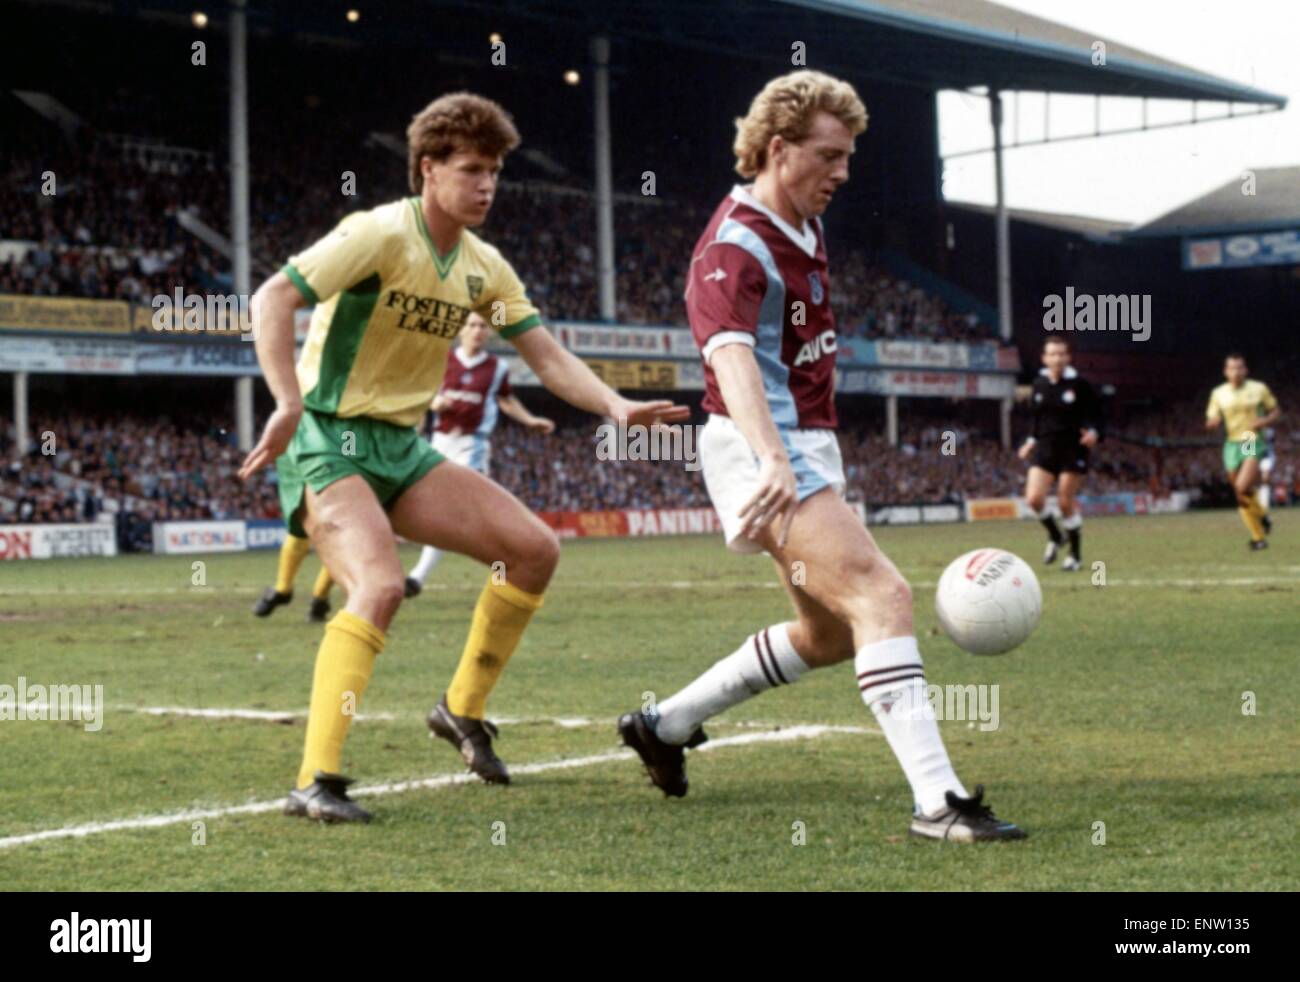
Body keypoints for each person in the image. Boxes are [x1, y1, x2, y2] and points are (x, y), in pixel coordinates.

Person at [239, 92, 686, 823]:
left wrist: (614, 406)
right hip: (328, 436)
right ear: (428, 169)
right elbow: (270, 299)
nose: (487, 185)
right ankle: (314, 780)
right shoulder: (378, 232)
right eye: (472, 169)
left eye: (496, 172)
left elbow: (545, 355)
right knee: (379, 587)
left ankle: (459, 711)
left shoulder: (485, 267)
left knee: (534, 550)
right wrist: (286, 401)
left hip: (402, 447)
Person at [617, 70, 1024, 842]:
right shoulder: (733, 245)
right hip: (758, 445)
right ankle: (938, 804)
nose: (843, 172)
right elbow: (730, 355)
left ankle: (663, 726)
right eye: (829, 154)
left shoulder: (803, 223)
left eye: (849, 156)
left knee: (831, 634)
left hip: (804, 442)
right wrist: (772, 458)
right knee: (883, 592)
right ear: (778, 149)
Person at [404, 311, 554, 598]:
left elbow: (506, 400)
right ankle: (489, 570)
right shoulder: (442, 360)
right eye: (472, 325)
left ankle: (418, 578)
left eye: (483, 326)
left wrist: (530, 420)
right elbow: (423, 394)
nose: (477, 330)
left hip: (472, 447)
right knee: (461, 521)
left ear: (489, 333)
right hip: (439, 444)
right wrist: (434, 402)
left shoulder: (496, 368)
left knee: (458, 515)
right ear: (461, 330)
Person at [1017, 338, 1101, 571]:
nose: (1057, 358)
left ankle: (1075, 555)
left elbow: (1097, 415)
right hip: (1045, 448)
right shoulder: (1039, 384)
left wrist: (1094, 432)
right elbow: (1036, 418)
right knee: (1033, 499)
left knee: (1065, 502)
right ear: (1045, 358)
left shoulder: (1079, 384)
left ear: (1068, 357)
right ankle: (1055, 535)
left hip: (1073, 449)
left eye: (1062, 354)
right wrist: (1030, 441)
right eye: (1052, 354)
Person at [1205, 353, 1281, 550]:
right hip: (1231, 445)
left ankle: (1259, 536)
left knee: (1241, 485)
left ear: (1245, 370)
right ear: (1225, 371)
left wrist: (1263, 421)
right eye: (1232, 368)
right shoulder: (1218, 393)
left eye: (1240, 367)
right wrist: (1213, 422)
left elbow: (1275, 411)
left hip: (1249, 437)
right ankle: (1262, 523)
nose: (1236, 371)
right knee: (1242, 493)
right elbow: (1212, 417)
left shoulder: (1258, 388)